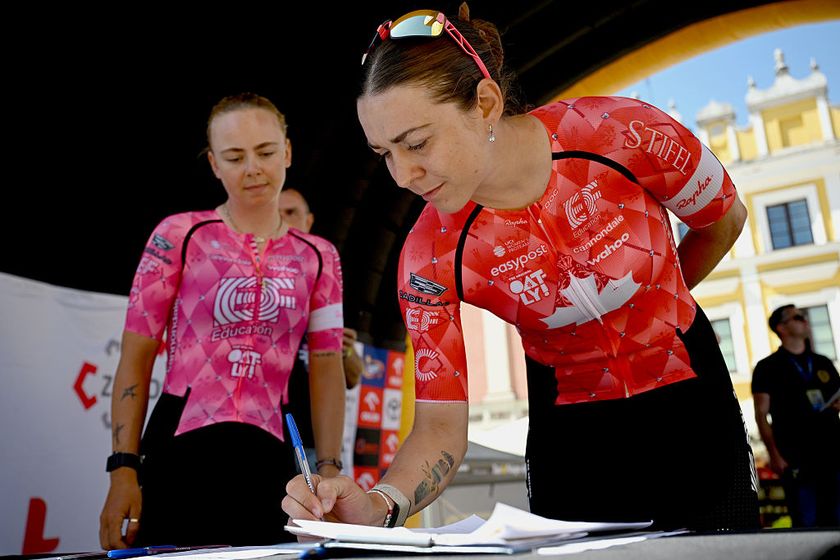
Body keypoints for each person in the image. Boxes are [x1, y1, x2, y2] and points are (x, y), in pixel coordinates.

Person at [283, 5, 759, 532]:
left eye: (416, 143)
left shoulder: (621, 132)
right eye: (384, 153)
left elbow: (724, 219)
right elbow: (440, 426)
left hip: (690, 400)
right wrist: (379, 505)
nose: (402, 175)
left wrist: (660, 300)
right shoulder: (429, 253)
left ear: (485, 104)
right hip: (572, 437)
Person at [99, 93, 347, 549]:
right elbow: (135, 358)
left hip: (273, 458)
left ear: (288, 152)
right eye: (234, 157)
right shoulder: (177, 235)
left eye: (266, 152)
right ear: (214, 164)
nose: (252, 168)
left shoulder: (319, 256)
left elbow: (328, 368)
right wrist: (123, 468)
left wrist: (329, 472)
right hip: (180, 449)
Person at [281, 187, 364, 470]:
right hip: (264, 439)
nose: (284, 220)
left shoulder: (327, 278)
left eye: (291, 212)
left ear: (309, 221)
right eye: (276, 214)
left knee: (314, 511)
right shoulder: (252, 276)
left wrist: (344, 351)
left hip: (315, 445)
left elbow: (353, 376)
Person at [752, 305, 840, 527]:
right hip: (795, 457)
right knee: (807, 522)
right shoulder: (767, 367)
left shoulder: (823, 362)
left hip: (831, 452)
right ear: (782, 327)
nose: (805, 320)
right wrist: (774, 454)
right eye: (798, 317)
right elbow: (761, 414)